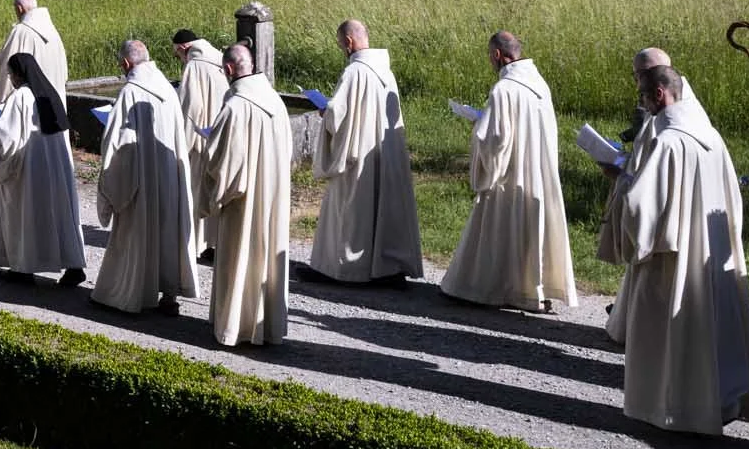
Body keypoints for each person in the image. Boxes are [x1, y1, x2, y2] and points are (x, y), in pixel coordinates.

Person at [613, 65, 749, 434]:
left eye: (643, 96)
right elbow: (731, 196)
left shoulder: (668, 142)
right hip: (711, 250)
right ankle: (718, 402)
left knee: (672, 333)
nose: (643, 104)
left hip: (672, 257)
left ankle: (673, 408)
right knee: (711, 329)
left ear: (660, 95)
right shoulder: (710, 135)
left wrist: (622, 184)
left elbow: (640, 208)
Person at [442, 31, 577, 312]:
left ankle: (484, 288)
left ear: (497, 55)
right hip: (537, 171)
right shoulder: (539, 83)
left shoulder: (504, 90)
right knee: (530, 230)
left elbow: (495, 141)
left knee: (498, 229)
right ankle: (530, 290)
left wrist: (478, 128)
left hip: (509, 173)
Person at [306, 20, 422, 285]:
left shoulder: (354, 72)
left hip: (358, 154)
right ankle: (385, 268)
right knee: (384, 209)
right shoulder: (386, 72)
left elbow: (337, 114)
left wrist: (325, 112)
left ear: (348, 42)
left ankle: (345, 269)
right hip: (387, 152)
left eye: (340, 45)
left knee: (351, 207)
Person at [92, 40, 197, 316]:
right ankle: (168, 295)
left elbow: (117, 146)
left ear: (126, 64)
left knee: (138, 232)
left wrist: (111, 188)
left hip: (140, 181)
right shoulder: (166, 88)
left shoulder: (129, 93)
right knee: (166, 232)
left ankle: (132, 293)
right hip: (168, 177)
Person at [599, 47, 691, 344]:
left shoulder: (673, 120)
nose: (637, 85)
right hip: (663, 204)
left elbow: (653, 180)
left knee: (657, 275)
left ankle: (645, 326)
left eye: (640, 77)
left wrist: (623, 177)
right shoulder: (675, 109)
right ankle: (627, 317)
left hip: (665, 217)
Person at [203, 42, 292, 347]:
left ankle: (235, 327)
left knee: (240, 256)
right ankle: (267, 327)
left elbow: (221, 163)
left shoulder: (235, 107)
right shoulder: (275, 101)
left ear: (228, 70)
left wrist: (212, 197)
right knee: (266, 258)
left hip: (243, 202)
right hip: (273, 194)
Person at [0, 50, 88, 288]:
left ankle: (24, 268)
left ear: (18, 75)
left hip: (29, 172)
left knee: (27, 216)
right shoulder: (49, 95)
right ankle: (73, 267)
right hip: (56, 171)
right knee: (61, 216)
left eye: (11, 75)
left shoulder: (20, 97)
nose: (11, 79)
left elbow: (5, 138)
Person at [173, 28, 228, 263]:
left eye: (177, 54)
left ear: (183, 48)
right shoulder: (219, 59)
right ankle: (215, 243)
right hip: (220, 135)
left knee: (196, 190)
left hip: (200, 138)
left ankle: (194, 244)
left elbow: (191, 107)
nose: (179, 59)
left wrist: (181, 145)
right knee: (216, 190)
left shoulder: (195, 65)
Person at [0, 0, 70, 110]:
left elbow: (8, 72)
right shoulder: (53, 32)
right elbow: (64, 74)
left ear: (19, 9)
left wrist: (2, 107)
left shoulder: (21, 32)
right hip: (56, 107)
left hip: (31, 109)